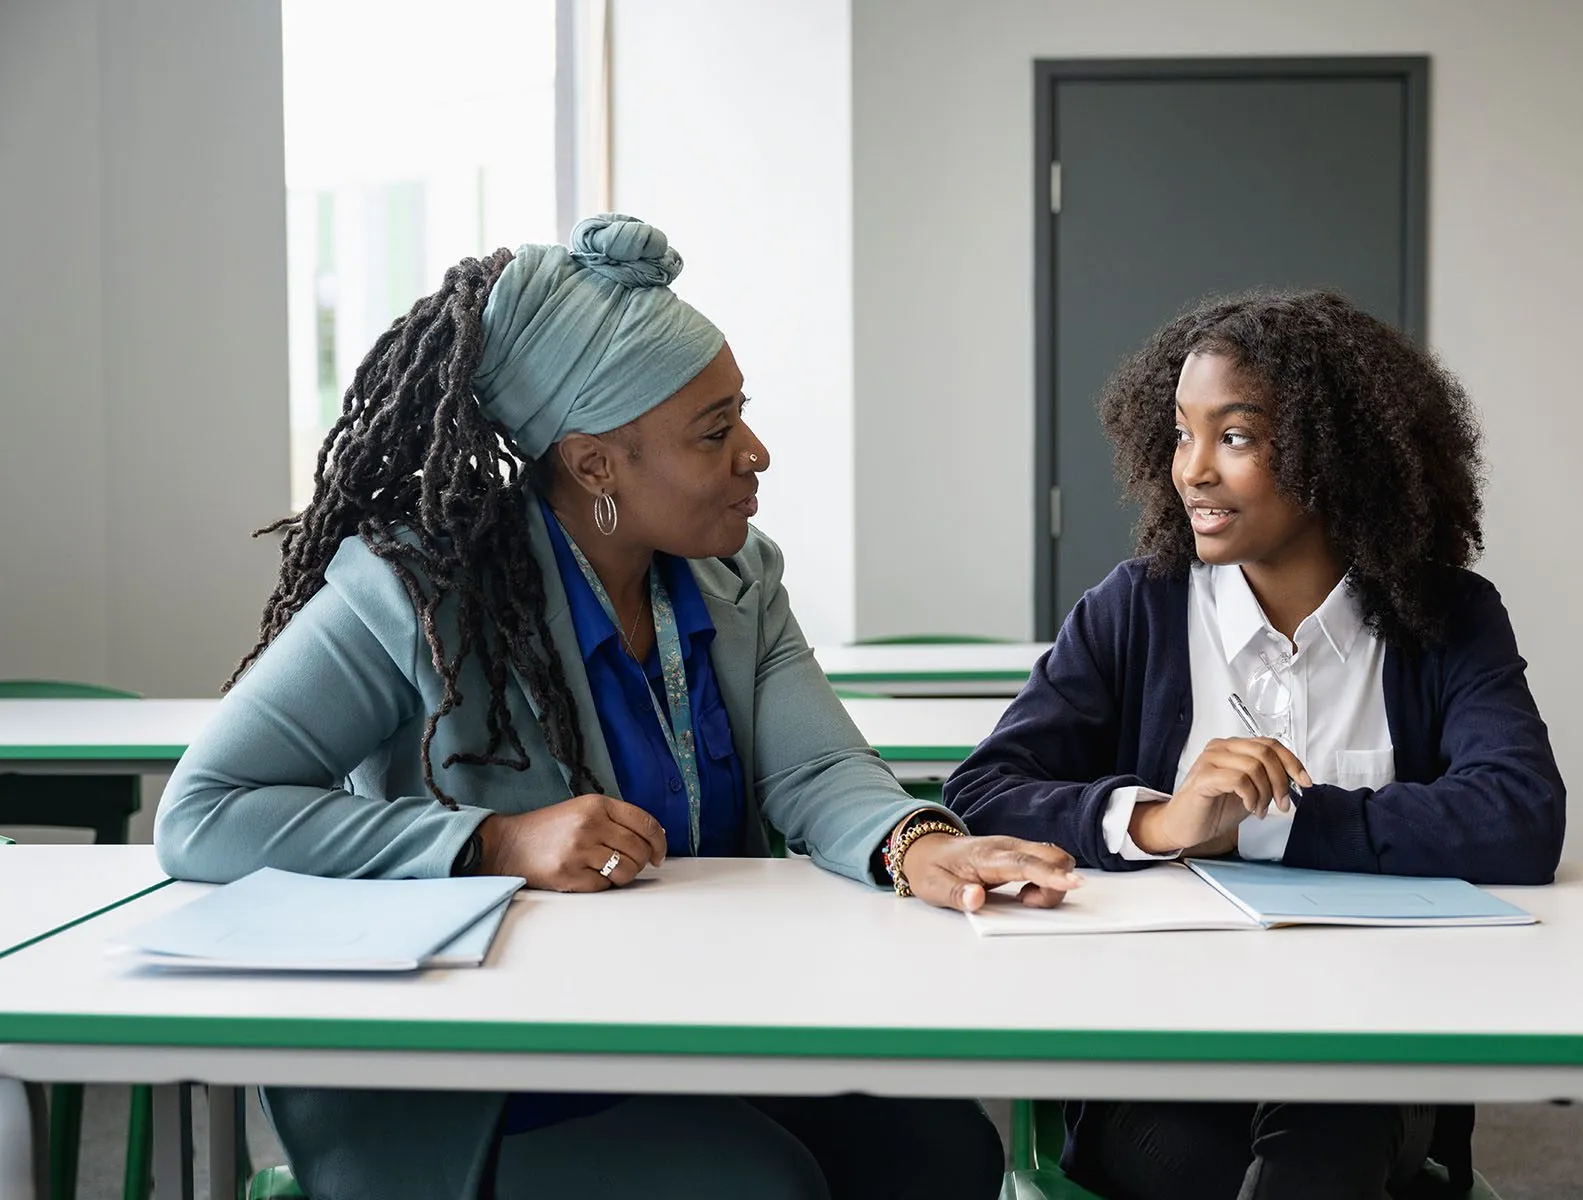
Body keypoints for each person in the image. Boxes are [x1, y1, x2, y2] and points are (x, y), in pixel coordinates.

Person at [155, 215, 1082, 1200]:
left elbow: (815, 767)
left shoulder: (734, 577)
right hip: (474, 1071)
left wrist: (918, 843)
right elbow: (205, 812)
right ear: (597, 464)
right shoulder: (416, 590)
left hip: (688, 1024)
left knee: (942, 1154)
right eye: (714, 432)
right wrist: (494, 844)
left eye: (743, 415)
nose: (755, 452)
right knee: (757, 1189)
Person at [943, 290, 1566, 1200]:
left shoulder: (1448, 617)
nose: (1193, 470)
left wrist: (1260, 829)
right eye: (1182, 434)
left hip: (1377, 1056)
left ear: (1336, 455)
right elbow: (984, 792)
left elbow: (1518, 817)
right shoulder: (1136, 609)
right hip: (1158, 1063)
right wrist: (1160, 820)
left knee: (1332, 1115)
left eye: (1234, 437)